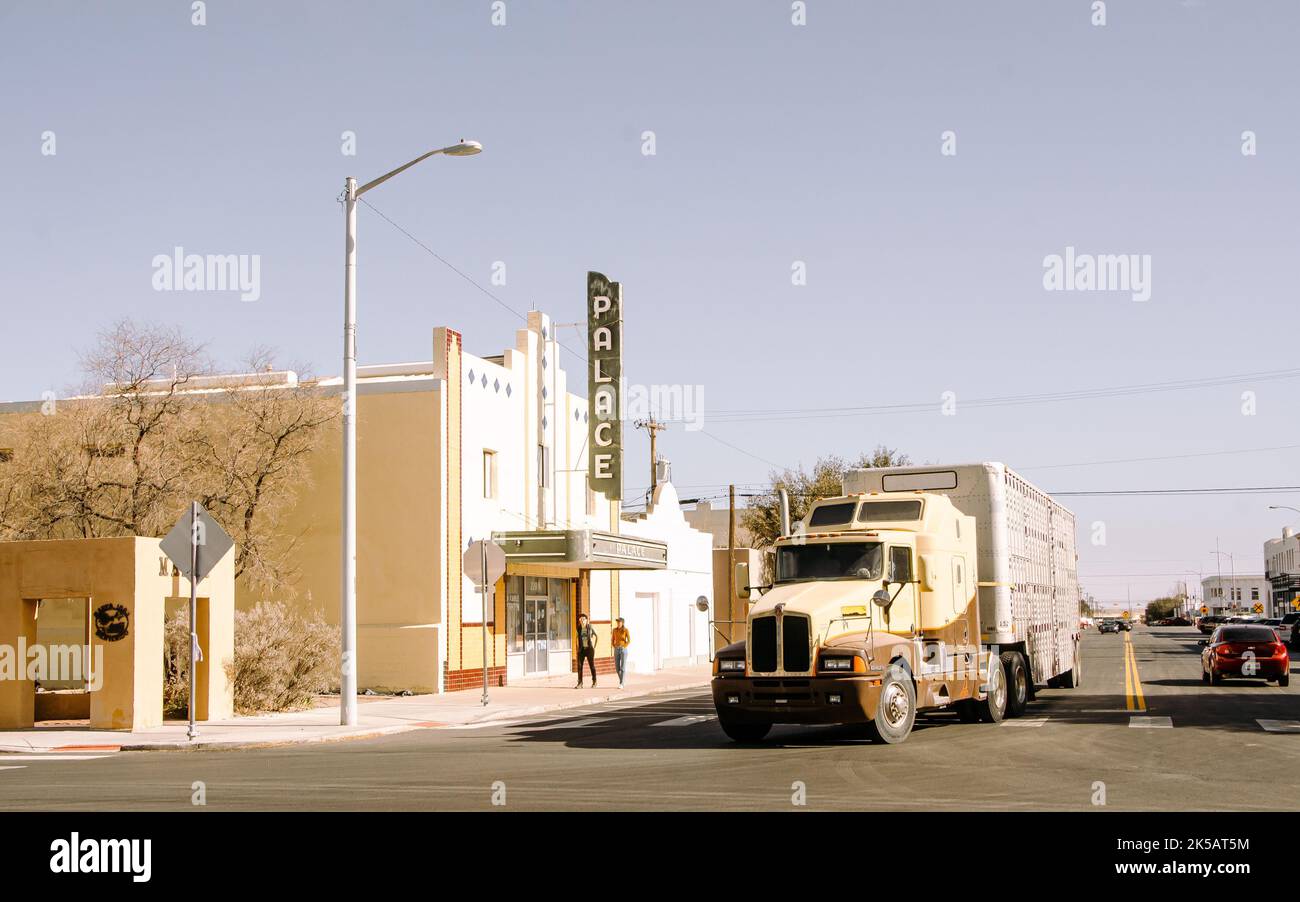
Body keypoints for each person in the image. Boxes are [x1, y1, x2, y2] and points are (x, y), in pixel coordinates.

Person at [575, 613, 598, 688]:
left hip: (589, 649)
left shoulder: (590, 627)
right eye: (581, 619)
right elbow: (576, 638)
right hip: (581, 649)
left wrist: (594, 647)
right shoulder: (578, 628)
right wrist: (577, 647)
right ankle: (580, 683)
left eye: (583, 619)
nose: (582, 621)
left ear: (586, 620)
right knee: (579, 666)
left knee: (592, 666)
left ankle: (594, 681)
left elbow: (596, 636)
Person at [611, 616, 631, 689]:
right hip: (616, 649)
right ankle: (622, 681)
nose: (618, 623)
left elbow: (629, 640)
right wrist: (614, 646)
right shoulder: (614, 630)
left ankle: (621, 683)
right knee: (617, 668)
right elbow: (612, 640)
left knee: (622, 667)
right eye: (617, 622)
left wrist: (624, 646)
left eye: (619, 622)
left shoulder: (626, 630)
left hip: (623, 650)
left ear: (622, 623)